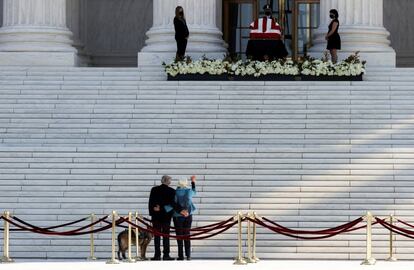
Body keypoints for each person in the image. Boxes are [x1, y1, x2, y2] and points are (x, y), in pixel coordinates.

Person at [148, 175, 188, 261]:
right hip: (166, 216)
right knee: (166, 236)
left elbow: (151, 202)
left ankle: (157, 255)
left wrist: (152, 212)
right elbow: (173, 204)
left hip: (156, 216)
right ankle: (166, 255)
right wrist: (181, 211)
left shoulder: (154, 189)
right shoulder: (171, 191)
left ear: (162, 181)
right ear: (169, 182)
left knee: (157, 236)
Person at [165, 175, 197, 261]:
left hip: (177, 216)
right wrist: (193, 181)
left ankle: (181, 256)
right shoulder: (189, 191)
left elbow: (173, 203)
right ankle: (188, 255)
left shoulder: (175, 192)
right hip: (188, 215)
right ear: (186, 183)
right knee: (187, 235)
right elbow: (194, 191)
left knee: (179, 236)